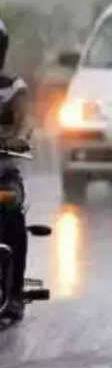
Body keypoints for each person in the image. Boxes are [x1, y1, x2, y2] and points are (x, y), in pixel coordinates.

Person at [0, 19, 33, 321]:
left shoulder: (13, 88)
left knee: (12, 212)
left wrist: (20, 138)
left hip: (3, 173)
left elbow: (24, 121)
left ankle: (15, 293)